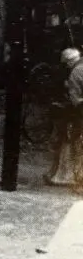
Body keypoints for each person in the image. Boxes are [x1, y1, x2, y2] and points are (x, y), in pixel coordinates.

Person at [48, 48, 83, 185]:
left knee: (71, 141)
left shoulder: (75, 72)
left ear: (69, 62)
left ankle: (67, 176)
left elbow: (75, 99)